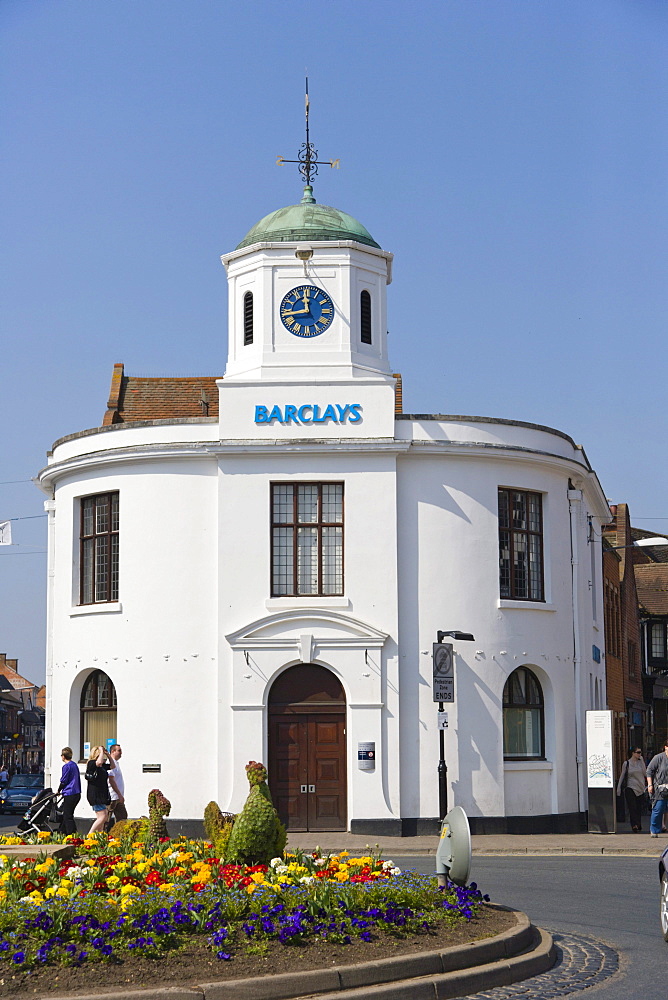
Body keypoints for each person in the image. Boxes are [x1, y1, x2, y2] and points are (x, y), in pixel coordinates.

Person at [616, 747, 647, 832]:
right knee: (632, 807)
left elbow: (645, 773)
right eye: (638, 752)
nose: (640, 754)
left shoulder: (641, 763)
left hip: (640, 787)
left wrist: (643, 762)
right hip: (630, 787)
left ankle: (638, 823)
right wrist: (618, 787)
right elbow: (622, 775)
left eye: (640, 752)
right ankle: (634, 825)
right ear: (633, 753)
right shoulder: (627, 763)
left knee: (638, 808)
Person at [84, 745, 112, 833]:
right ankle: (90, 835)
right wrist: (100, 750)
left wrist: (108, 755)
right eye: (101, 754)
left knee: (101, 818)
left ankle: (99, 837)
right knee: (103, 816)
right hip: (95, 794)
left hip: (102, 794)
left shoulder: (102, 767)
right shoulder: (91, 763)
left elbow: (113, 766)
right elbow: (98, 762)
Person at [57, 747, 81, 835]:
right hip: (77, 792)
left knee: (67, 815)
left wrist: (58, 790)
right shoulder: (74, 765)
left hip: (69, 792)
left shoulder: (66, 766)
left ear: (63, 756)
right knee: (68, 813)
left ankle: (71, 833)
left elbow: (64, 780)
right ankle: (62, 831)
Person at [646, 740, 668, 838]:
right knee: (658, 809)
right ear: (666, 747)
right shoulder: (658, 758)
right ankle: (654, 829)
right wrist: (650, 785)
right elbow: (649, 771)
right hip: (660, 789)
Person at [105, 744, 126, 831]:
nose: (121, 753)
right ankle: (102, 836)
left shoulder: (116, 763)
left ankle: (119, 835)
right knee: (107, 819)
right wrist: (119, 794)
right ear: (113, 751)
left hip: (118, 797)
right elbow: (111, 780)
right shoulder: (110, 763)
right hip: (113, 796)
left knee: (122, 817)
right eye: (119, 750)